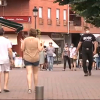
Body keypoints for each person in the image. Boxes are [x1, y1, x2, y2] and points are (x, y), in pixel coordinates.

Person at [21, 28, 44, 93]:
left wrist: (21, 43)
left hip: (27, 58)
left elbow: (22, 49)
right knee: (35, 73)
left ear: (29, 33)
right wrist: (42, 44)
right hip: (35, 58)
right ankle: (36, 88)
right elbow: (40, 49)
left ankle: (29, 88)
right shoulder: (37, 40)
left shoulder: (25, 40)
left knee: (29, 73)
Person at [0, 28, 13, 93]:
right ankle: (5, 86)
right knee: (6, 72)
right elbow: (10, 50)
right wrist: (11, 59)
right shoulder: (7, 40)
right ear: (3, 33)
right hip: (5, 58)